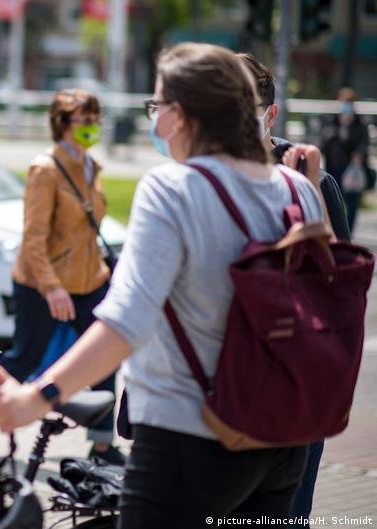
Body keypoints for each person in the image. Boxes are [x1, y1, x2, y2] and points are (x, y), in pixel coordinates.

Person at [0, 43, 321, 529]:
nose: (153, 121)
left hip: (192, 438)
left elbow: (126, 322)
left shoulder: (173, 189)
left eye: (156, 106)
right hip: (283, 437)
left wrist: (36, 398)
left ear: (182, 115)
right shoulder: (298, 188)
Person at [238, 53, 353, 527]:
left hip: (292, 397)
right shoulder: (195, 179)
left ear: (269, 114)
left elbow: (339, 289)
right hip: (219, 399)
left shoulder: (312, 180)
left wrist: (304, 197)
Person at [0, 88, 123, 465]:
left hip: (89, 281)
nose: (92, 127)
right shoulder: (46, 170)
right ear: (62, 124)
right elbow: (33, 239)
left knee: (105, 359)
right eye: (84, 120)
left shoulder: (89, 166)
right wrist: (52, 287)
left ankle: (102, 445)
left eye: (95, 120)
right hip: (41, 284)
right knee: (26, 359)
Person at [238, 53, 351, 241]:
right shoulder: (206, 179)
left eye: (244, 109)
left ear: (271, 115)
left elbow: (343, 265)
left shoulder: (313, 181)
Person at [322, 87, 372, 234]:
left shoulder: (359, 123)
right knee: (335, 203)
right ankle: (336, 232)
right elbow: (325, 141)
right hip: (335, 168)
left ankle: (348, 234)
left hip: (352, 171)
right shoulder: (333, 121)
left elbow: (364, 142)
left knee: (352, 205)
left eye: (348, 103)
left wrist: (359, 154)